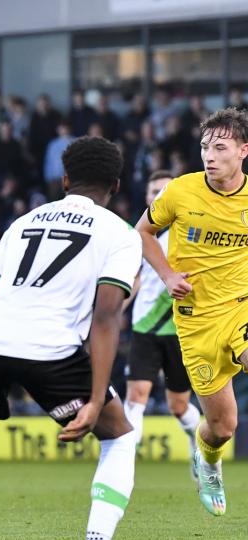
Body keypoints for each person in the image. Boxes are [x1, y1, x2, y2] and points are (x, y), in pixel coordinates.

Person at [0, 137, 142, 540]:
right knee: (119, 436)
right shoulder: (122, 234)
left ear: (65, 179)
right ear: (115, 185)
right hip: (50, 350)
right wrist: (95, 401)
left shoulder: (24, 222)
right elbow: (106, 316)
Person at [135, 108, 248, 516]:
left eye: (220, 147)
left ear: (243, 150)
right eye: (205, 147)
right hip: (196, 319)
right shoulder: (180, 192)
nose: (210, 155)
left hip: (240, 307)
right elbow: (142, 233)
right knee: (222, 427)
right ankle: (209, 461)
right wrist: (166, 275)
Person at [122, 170, 199, 476]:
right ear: (147, 196)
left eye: (165, 190)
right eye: (154, 190)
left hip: (182, 329)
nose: (158, 195)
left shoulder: (191, 231)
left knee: (178, 406)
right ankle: (124, 464)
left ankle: (199, 445)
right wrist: (116, 310)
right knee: (136, 396)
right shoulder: (138, 235)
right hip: (144, 328)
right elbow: (135, 278)